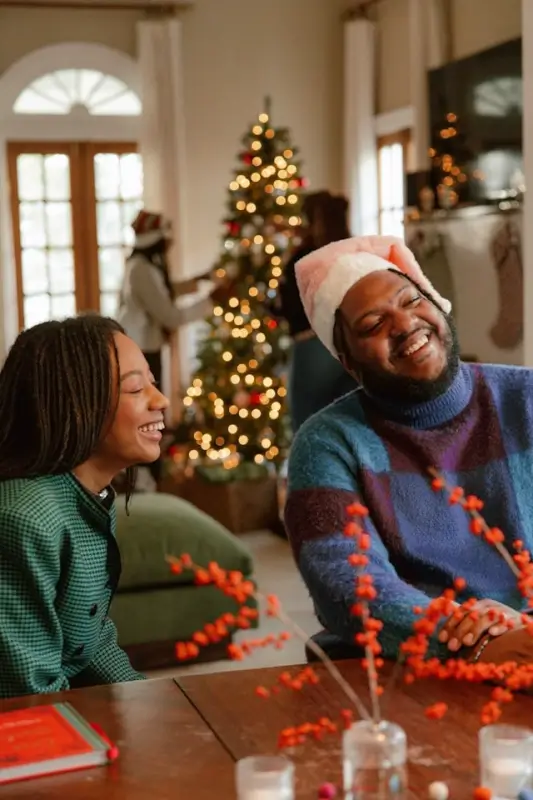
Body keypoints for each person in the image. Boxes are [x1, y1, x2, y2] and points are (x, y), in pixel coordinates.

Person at [285, 235, 533, 667]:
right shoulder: (326, 443)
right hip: (405, 666)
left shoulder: (526, 398)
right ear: (348, 361)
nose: (404, 324)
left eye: (412, 301)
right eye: (373, 324)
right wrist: (475, 642)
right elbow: (346, 585)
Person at [0, 314, 169, 698]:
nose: (162, 401)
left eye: (153, 384)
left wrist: (149, 707)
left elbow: (87, 638)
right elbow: (28, 695)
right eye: (136, 388)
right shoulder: (23, 518)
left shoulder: (89, 498)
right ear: (75, 403)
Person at [272, 192, 358, 432]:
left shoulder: (303, 259)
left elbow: (288, 307)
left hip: (311, 345)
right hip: (349, 344)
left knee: (308, 426)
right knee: (348, 423)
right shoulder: (352, 252)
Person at [118, 209, 213, 387]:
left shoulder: (140, 265)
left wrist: (199, 280)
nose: (170, 243)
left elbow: (160, 291)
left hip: (143, 347)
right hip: (143, 350)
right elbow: (170, 316)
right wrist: (211, 301)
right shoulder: (141, 270)